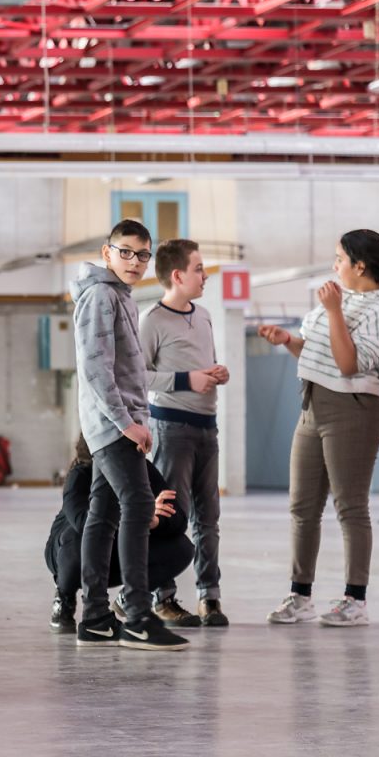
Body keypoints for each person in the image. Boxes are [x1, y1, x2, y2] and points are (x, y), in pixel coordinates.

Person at [260, 229, 379, 627]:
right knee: (302, 506)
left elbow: (349, 364)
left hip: (353, 409)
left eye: (340, 259)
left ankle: (355, 599)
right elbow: (317, 349)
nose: (334, 265)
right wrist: (289, 340)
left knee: (350, 506)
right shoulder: (341, 301)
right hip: (312, 404)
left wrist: (334, 311)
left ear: (361, 265)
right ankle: (300, 594)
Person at [72, 220, 188, 651]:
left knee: (103, 515)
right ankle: (138, 616)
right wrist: (128, 423)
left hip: (118, 422)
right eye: (126, 252)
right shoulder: (101, 295)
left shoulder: (119, 296)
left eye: (143, 254)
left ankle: (97, 617)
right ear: (107, 253)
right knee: (138, 504)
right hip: (112, 425)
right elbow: (96, 368)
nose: (135, 261)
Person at [140, 238, 231, 628]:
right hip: (171, 427)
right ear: (177, 276)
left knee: (208, 517)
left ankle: (209, 597)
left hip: (206, 428)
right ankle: (164, 597)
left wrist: (215, 373)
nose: (205, 274)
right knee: (172, 515)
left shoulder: (206, 315)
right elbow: (138, 376)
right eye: (198, 268)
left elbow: (201, 367)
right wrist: (186, 379)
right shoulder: (152, 321)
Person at [46, 438, 192, 632]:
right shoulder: (81, 473)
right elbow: (84, 523)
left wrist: (155, 521)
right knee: (77, 541)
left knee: (182, 547)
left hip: (115, 554)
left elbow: (179, 518)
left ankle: (130, 596)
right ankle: (63, 599)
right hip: (73, 556)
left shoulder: (142, 470)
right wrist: (138, 513)